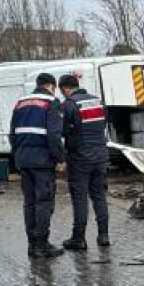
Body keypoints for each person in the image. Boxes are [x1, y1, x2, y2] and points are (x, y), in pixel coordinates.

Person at [9, 72, 65, 258]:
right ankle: (42, 244)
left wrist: (17, 156)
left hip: (23, 159)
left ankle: (32, 245)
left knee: (29, 202)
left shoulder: (20, 103)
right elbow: (54, 136)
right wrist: (59, 159)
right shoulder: (51, 102)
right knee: (44, 202)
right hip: (42, 161)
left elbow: (13, 134)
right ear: (51, 86)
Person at [57, 74, 110, 250]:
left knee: (80, 199)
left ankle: (78, 239)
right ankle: (104, 236)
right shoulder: (98, 102)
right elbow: (102, 126)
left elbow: (64, 131)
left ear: (65, 89)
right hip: (100, 156)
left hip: (80, 158)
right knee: (99, 196)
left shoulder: (69, 104)